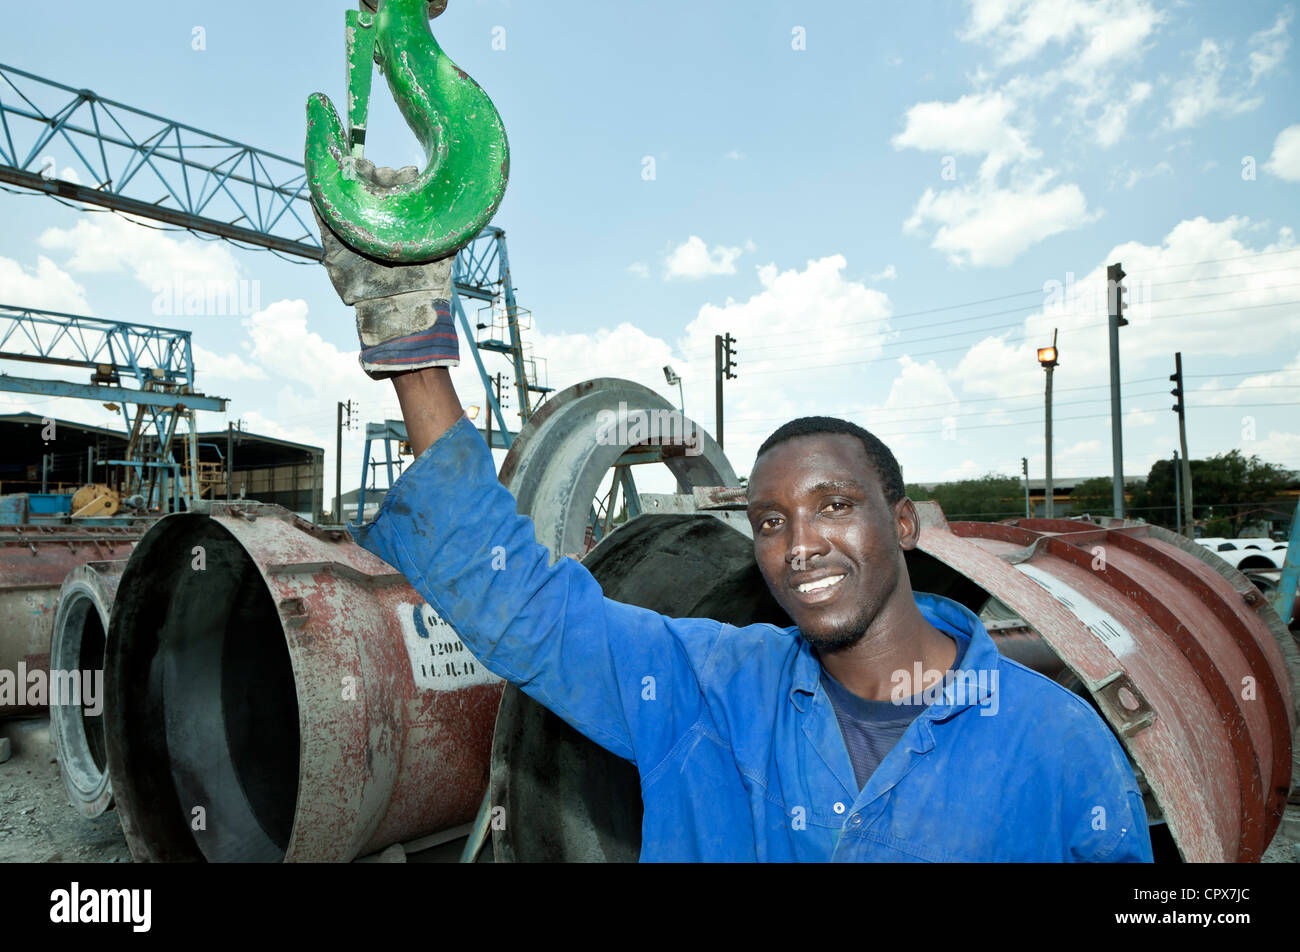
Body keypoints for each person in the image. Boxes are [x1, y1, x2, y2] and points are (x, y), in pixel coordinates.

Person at [318, 210, 1154, 863]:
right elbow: (522, 607)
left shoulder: (1054, 743)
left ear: (903, 523)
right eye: (769, 521)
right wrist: (414, 354)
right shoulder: (710, 690)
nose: (799, 544)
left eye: (834, 506)